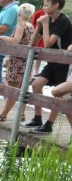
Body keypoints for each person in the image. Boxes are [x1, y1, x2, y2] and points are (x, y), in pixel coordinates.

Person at [25, 0, 72, 134]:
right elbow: (32, 43)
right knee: (36, 84)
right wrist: (39, 26)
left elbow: (47, 44)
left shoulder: (63, 20)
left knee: (59, 94)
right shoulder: (48, 20)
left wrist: (45, 24)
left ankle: (49, 124)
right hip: (53, 61)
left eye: (46, 5)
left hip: (64, 62)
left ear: (56, 5)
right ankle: (38, 118)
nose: (43, 8)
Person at [0, 3, 35, 122]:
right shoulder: (30, 26)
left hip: (17, 60)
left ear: (20, 13)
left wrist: (1, 37)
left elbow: (15, 41)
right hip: (25, 60)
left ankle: (3, 115)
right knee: (22, 89)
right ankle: (22, 114)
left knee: (12, 90)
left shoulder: (21, 25)